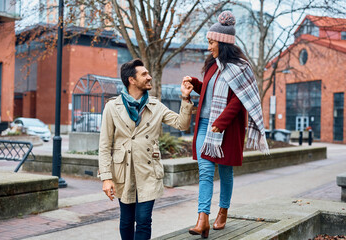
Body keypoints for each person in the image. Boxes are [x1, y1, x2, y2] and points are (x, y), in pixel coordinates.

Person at [183, 11, 269, 238]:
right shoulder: (213, 64)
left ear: (223, 42)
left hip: (226, 129)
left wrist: (221, 123)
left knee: (226, 171)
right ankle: (203, 219)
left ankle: (223, 210)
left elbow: (239, 100)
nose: (209, 47)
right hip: (204, 125)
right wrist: (196, 84)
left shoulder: (241, 67)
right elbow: (210, 93)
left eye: (212, 42)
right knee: (205, 171)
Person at [98, 58, 194, 240]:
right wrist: (106, 178)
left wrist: (185, 98)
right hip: (123, 171)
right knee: (126, 220)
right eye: (144, 74)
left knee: (143, 219)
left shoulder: (156, 106)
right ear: (131, 80)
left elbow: (181, 124)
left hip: (148, 171)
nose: (149, 77)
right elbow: (104, 146)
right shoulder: (112, 107)